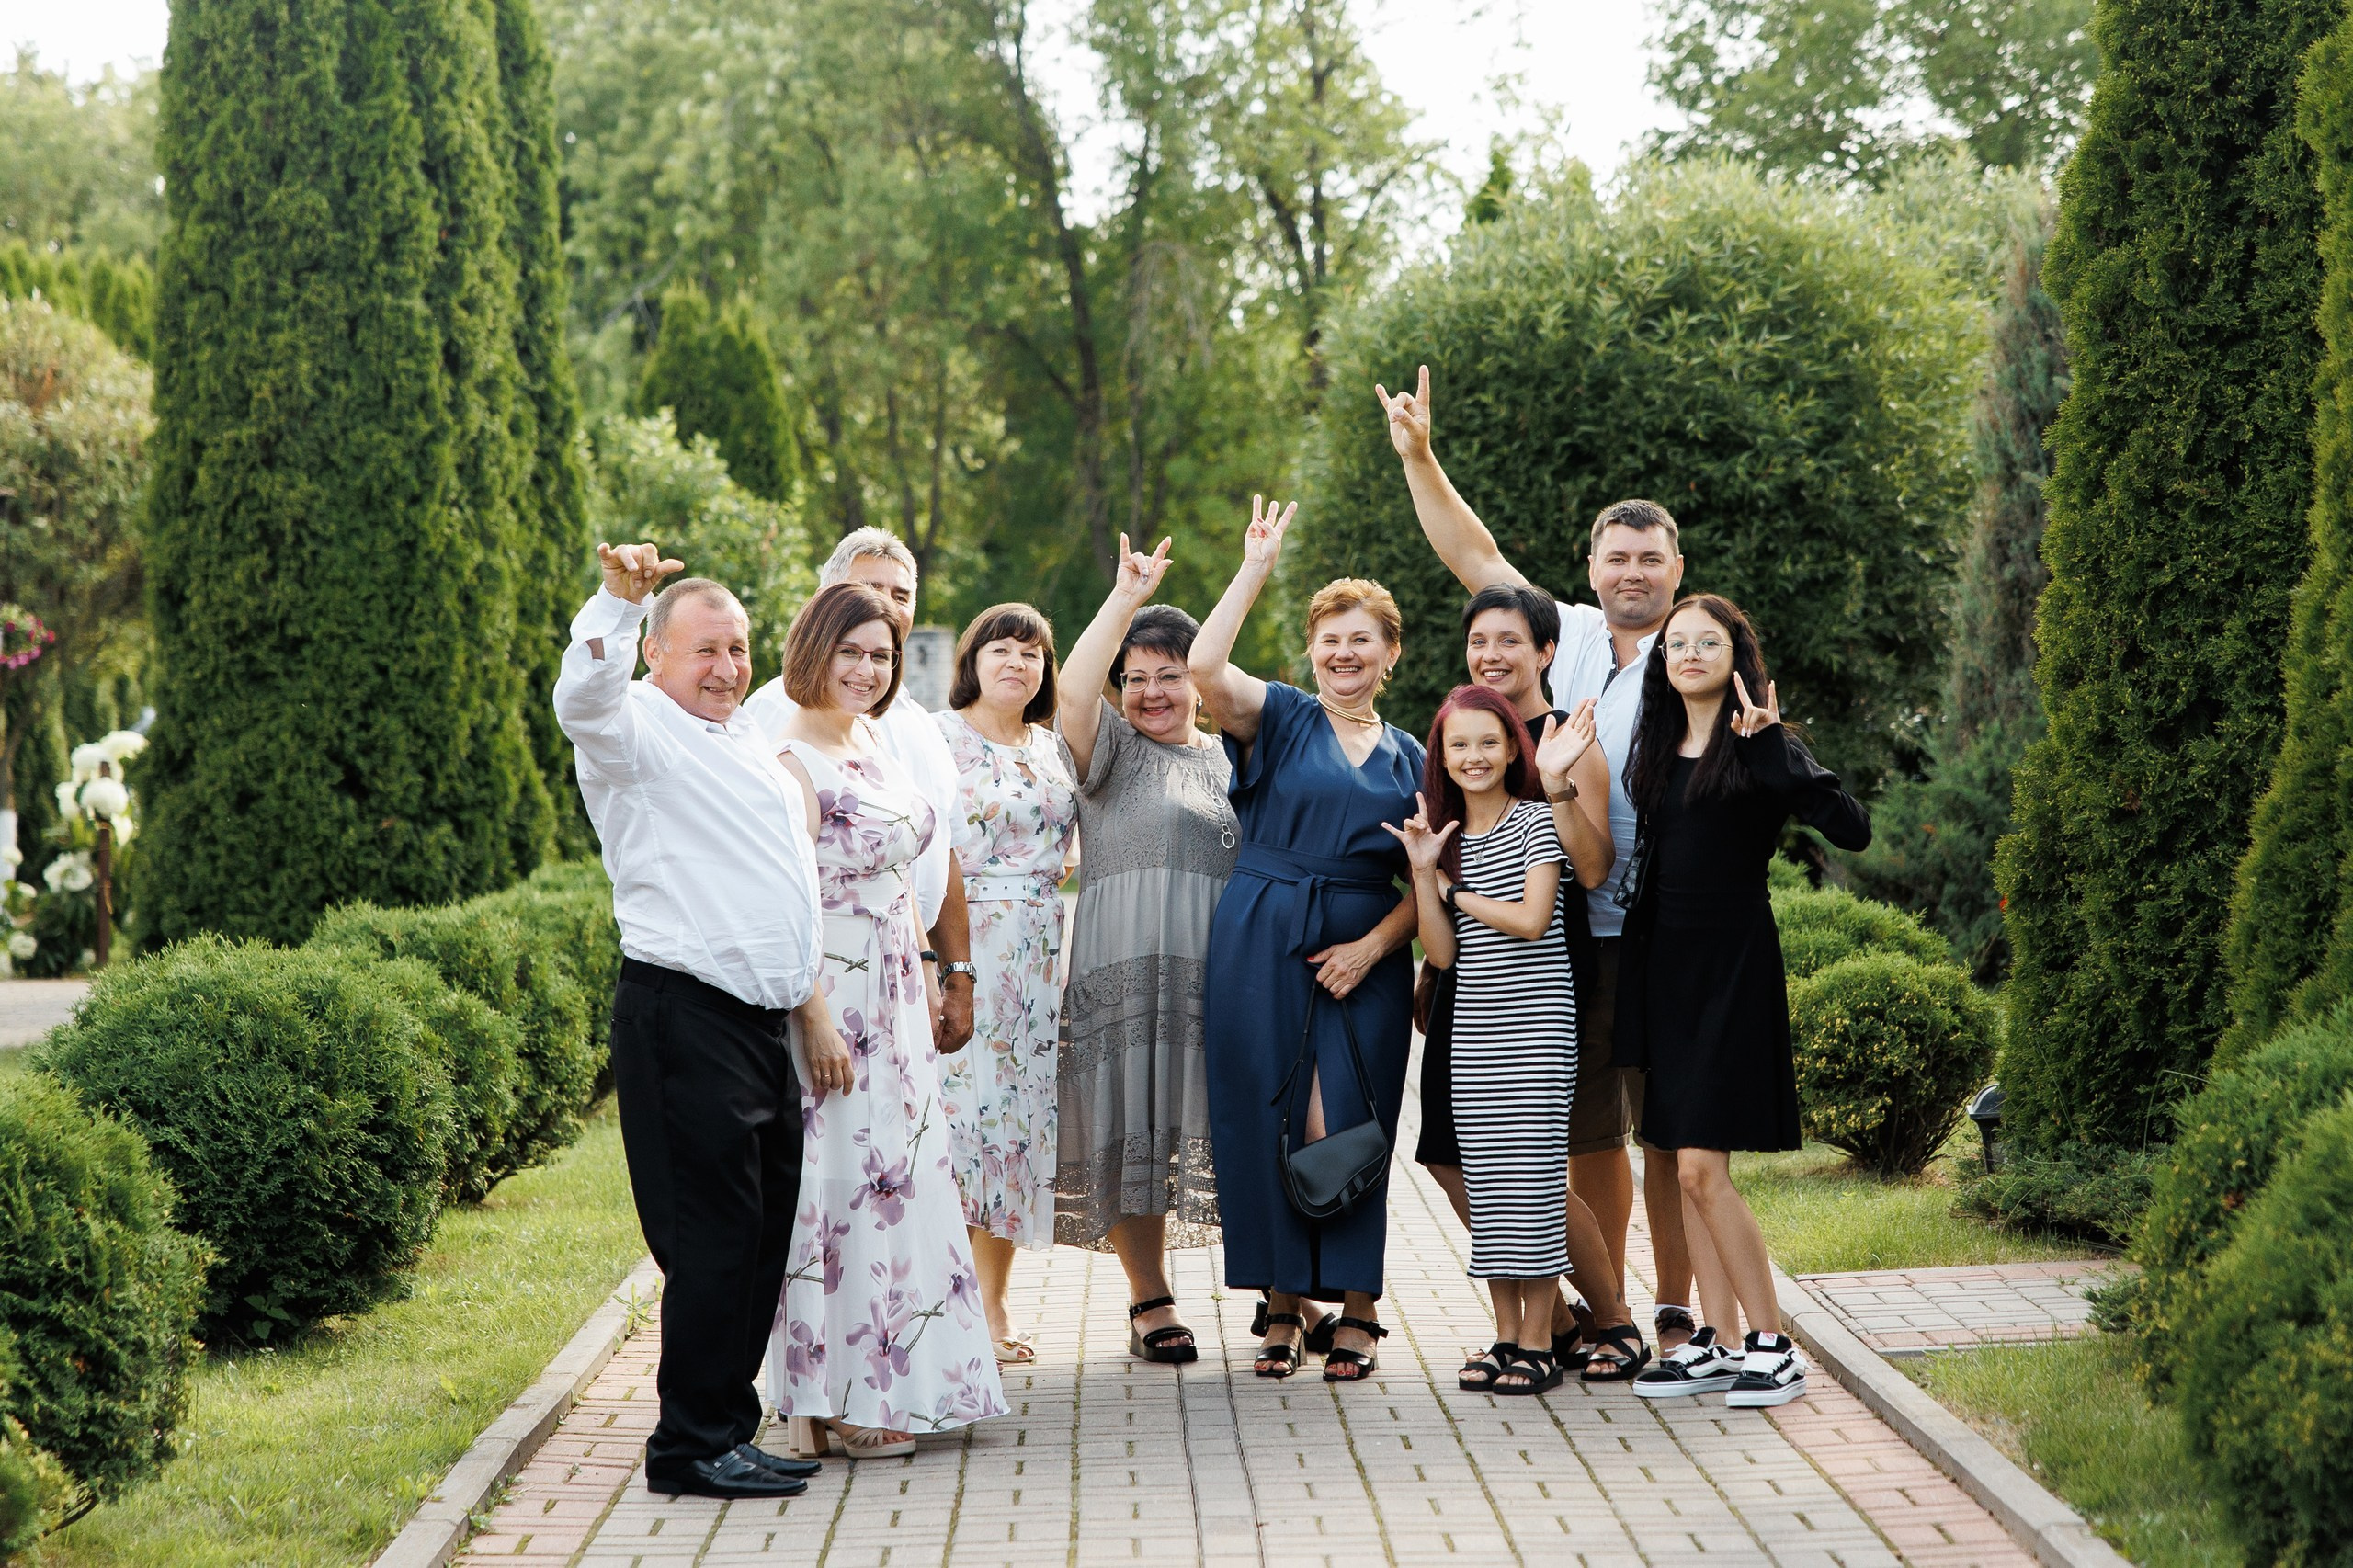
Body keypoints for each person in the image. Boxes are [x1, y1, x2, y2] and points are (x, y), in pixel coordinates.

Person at [1377, 364, 1720, 1354]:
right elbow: (1472, 553)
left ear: (1674, 564)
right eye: (1616, 557)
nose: (1632, 573)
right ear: (1591, 563)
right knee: (1550, 1136)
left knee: (1620, 1133)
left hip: (1639, 922)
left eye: (1650, 559)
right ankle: (1584, 1308)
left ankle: (1638, 1307)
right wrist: (1420, 455)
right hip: (1554, 928)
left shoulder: (1694, 653)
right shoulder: (1563, 637)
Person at [553, 543, 828, 1500]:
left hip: (758, 1025)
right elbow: (581, 696)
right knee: (711, 1236)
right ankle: (685, 1447)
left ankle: (724, 1425)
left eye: (739, 646)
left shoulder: (741, 736)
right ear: (658, 655)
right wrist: (617, 602)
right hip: (683, 1013)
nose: (725, 666)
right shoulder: (631, 726)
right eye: (705, 648)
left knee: (758, 1233)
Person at [765, 583, 1007, 1456]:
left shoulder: (873, 741)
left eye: (881, 654)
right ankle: (827, 1401)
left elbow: (914, 875)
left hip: (898, 994)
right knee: (833, 1190)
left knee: (894, 1184)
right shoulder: (789, 763)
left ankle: (877, 1386)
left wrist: (945, 977)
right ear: (813, 651)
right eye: (852, 651)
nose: (867, 669)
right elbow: (785, 907)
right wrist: (817, 1019)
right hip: (834, 996)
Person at [1192, 498, 1425, 1383]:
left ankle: (1360, 1306)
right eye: (1330, 638)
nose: (1344, 653)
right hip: (1261, 930)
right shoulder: (1281, 717)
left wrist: (1371, 949)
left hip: (1364, 946)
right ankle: (1285, 1303)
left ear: (1390, 654)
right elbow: (1206, 665)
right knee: (1266, 1113)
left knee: (1355, 1117)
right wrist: (1255, 565)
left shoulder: (1412, 754)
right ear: (1313, 649)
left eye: (1361, 639)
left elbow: (1433, 878)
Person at [1617, 594, 1870, 1406]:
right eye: (1676, 643)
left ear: (1736, 655)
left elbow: (1852, 827)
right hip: (1666, 968)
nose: (1688, 653)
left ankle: (1774, 1342)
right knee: (1681, 1165)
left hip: (1731, 965)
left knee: (1700, 1164)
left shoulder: (1759, 744)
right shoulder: (1657, 745)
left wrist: (1776, 751)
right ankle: (1718, 1342)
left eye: (1707, 642)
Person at [1409, 581, 1651, 1381]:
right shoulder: (1457, 745)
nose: (1494, 654)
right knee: (1461, 1157)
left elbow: (1588, 870)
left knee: (1549, 1158)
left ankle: (1601, 1321)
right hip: (1468, 995)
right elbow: (1438, 920)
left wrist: (1553, 782)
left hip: (1545, 992)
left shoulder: (1565, 744)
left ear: (1547, 651)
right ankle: (1527, 1320)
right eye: (1481, 641)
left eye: (1512, 640)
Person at [1053, 535, 1237, 1363]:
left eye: (1171, 674)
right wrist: (1124, 599)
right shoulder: (1112, 751)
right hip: (1122, 965)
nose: (1154, 691)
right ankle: (1149, 1297)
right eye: (1139, 677)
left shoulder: (1236, 753)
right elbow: (1072, 688)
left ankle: (1281, 1291)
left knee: (1218, 1119)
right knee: (1130, 1122)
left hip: (1218, 972)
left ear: (1199, 678)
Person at [744, 529, 978, 1060]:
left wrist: (953, 972)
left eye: (901, 595)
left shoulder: (916, 726)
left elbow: (940, 853)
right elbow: (777, 889)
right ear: (825, 605)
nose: (886, 606)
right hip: (827, 981)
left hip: (904, 970)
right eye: (870, 589)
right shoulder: (770, 717)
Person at [935, 604, 1077, 1363]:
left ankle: (993, 1304)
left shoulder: (1054, 749)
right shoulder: (936, 737)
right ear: (974, 658)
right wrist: (938, 967)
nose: (1017, 662)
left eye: (1033, 652)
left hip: (1036, 957)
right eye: (1002, 648)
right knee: (960, 1127)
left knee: (1012, 1131)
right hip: (962, 948)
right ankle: (950, 1303)